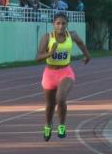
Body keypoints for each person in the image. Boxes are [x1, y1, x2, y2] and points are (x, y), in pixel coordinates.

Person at [36, 12, 91, 141]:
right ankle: (48, 126)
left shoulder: (71, 35)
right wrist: (50, 53)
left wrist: (88, 56)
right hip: (50, 73)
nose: (61, 26)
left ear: (67, 25)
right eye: (58, 23)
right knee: (50, 104)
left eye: (63, 23)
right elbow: (38, 57)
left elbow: (81, 43)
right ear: (53, 24)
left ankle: (62, 125)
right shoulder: (47, 37)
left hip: (65, 71)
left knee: (60, 98)